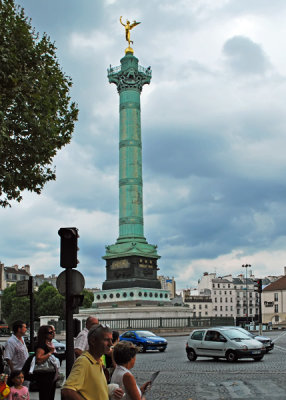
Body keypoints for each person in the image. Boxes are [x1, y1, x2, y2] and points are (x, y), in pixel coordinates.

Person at [62, 324, 124, 400]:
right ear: (93, 341)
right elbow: (67, 391)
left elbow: (92, 389)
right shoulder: (83, 362)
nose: (111, 344)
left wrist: (110, 391)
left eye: (111, 340)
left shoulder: (98, 360)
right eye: (106, 340)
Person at [33, 325, 59, 400]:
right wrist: (50, 352)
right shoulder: (42, 345)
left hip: (51, 374)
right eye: (50, 332)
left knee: (50, 395)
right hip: (45, 374)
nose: (53, 333)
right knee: (45, 395)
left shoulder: (50, 343)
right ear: (44, 334)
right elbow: (39, 358)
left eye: (54, 331)